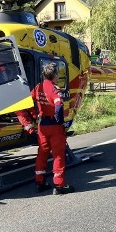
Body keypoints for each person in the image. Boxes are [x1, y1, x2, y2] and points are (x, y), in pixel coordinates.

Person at [32, 62, 74, 195]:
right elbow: (59, 105)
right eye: (58, 74)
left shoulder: (38, 87)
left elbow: (28, 101)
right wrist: (59, 121)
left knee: (42, 153)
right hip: (54, 127)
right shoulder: (55, 89)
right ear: (54, 75)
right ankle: (60, 185)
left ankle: (40, 181)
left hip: (42, 126)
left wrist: (34, 115)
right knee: (58, 155)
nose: (58, 77)